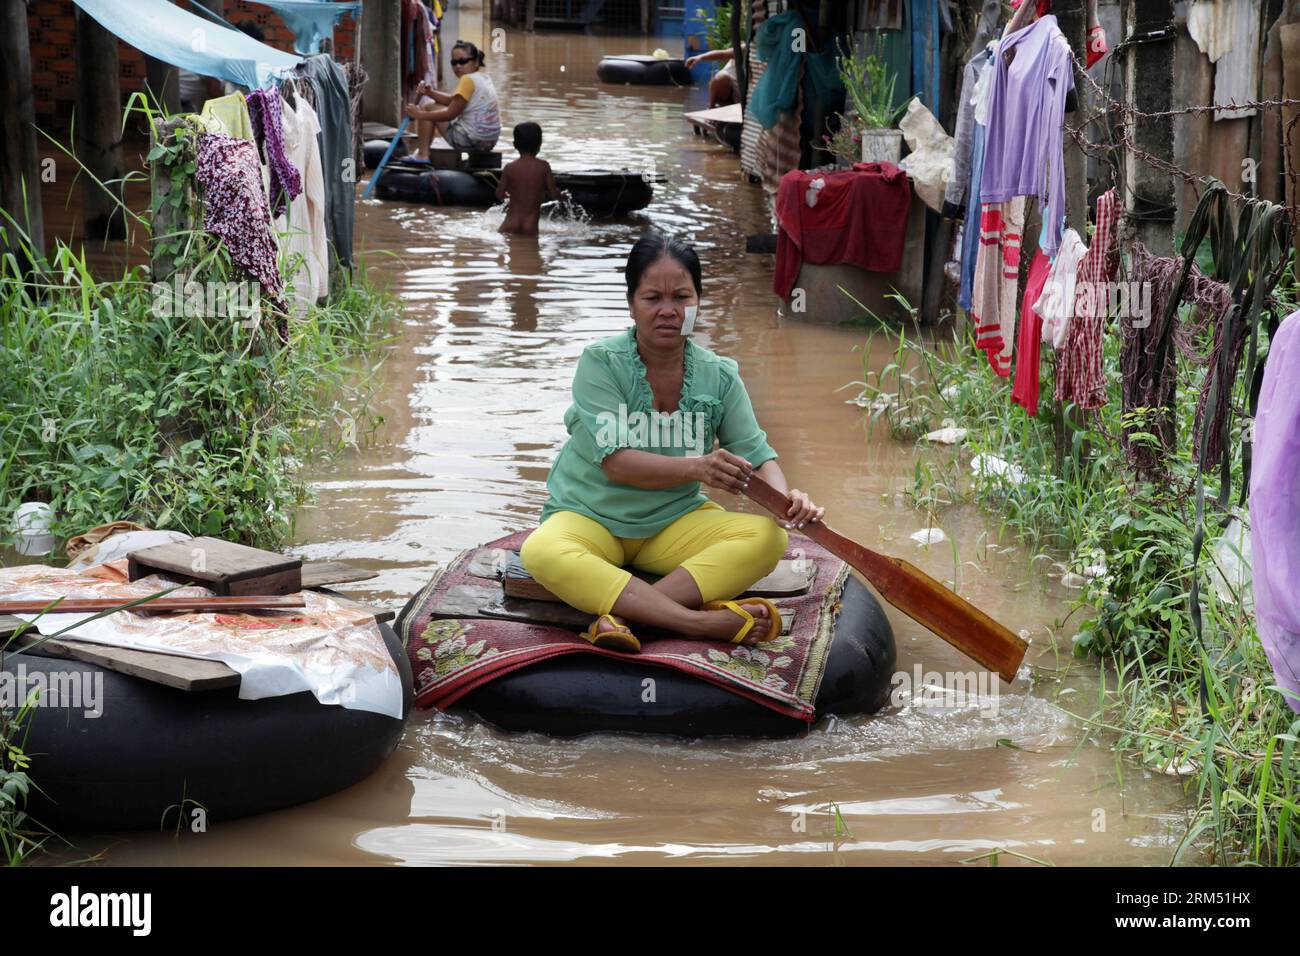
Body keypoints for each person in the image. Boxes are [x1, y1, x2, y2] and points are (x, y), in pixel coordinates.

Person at [520, 232, 825, 653]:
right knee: (542, 551)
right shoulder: (601, 363)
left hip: (672, 524)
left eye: (682, 297)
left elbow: (755, 454)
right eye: (652, 298)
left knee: (768, 538)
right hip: (589, 518)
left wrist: (788, 501)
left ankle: (625, 617)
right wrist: (698, 467)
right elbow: (617, 463)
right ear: (631, 304)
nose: (668, 310)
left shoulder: (718, 375)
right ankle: (693, 623)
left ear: (698, 303)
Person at [404, 40, 501, 158]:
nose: (458, 66)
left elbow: (450, 114)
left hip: (469, 141)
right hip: (489, 142)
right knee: (430, 105)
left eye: (463, 61)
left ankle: (423, 155)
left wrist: (419, 115)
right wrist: (430, 92)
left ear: (476, 62)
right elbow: (453, 101)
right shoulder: (484, 78)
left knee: (427, 108)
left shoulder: (467, 80)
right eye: (454, 63)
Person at [495, 122, 560, 236]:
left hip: (510, 223)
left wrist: (508, 196)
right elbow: (554, 194)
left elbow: (499, 194)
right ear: (539, 144)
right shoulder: (543, 166)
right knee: (531, 250)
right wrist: (563, 196)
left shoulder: (510, 167)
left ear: (515, 145)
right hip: (530, 224)